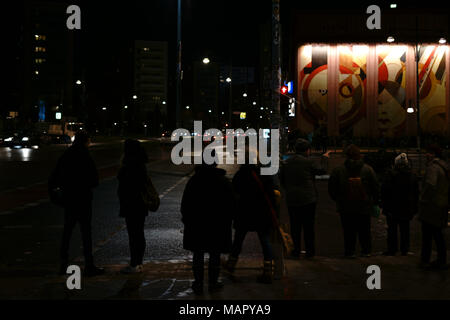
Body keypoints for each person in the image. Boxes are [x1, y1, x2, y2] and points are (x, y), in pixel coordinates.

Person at [49, 131, 104, 276]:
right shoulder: (86, 156)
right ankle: (89, 265)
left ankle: (63, 263)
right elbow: (94, 179)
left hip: (69, 198)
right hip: (84, 198)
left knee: (67, 231)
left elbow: (54, 177)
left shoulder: (66, 155)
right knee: (86, 233)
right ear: (86, 141)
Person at [180, 161, 235, 294]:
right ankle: (213, 283)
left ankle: (198, 283)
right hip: (218, 225)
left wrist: (187, 220)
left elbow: (185, 204)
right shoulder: (223, 181)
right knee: (215, 254)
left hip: (197, 224)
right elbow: (232, 204)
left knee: (198, 254)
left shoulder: (194, 180)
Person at [225, 159, 279, 284]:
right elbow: (271, 194)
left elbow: (234, 194)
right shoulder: (264, 174)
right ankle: (268, 270)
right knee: (265, 240)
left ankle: (231, 264)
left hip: (244, 213)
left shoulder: (240, 175)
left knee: (238, 240)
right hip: (261, 213)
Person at [328, 144, 379, 258]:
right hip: (364, 205)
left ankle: (349, 251)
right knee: (364, 230)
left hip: (345, 206)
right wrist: (374, 202)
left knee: (348, 231)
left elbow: (332, 189)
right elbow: (375, 187)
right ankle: (366, 251)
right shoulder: (368, 169)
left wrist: (339, 200)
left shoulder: (338, 170)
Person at [280, 138, 328, 258]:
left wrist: (289, 189)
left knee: (295, 226)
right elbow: (322, 171)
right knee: (308, 227)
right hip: (308, 198)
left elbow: (282, 180)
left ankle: (296, 251)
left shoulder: (287, 163)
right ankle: (309, 252)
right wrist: (325, 158)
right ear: (307, 150)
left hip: (292, 199)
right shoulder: (309, 162)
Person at [117, 139, 152, 274]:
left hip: (131, 203)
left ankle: (134, 263)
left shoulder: (129, 165)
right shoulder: (140, 163)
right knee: (139, 233)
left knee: (133, 234)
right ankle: (138, 262)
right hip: (140, 203)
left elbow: (125, 183)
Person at [381, 153, 419, 256]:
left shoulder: (390, 175)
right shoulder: (412, 176)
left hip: (392, 207)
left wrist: (384, 205)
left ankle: (392, 249)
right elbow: (416, 193)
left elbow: (385, 191)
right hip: (406, 207)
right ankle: (404, 249)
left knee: (392, 230)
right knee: (405, 229)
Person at [418, 144, 449, 270]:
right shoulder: (444, 167)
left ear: (434, 154)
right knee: (438, 234)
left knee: (427, 235)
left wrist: (422, 198)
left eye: (429, 152)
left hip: (431, 206)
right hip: (442, 203)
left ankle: (425, 260)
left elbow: (430, 184)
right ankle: (441, 260)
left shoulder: (433, 168)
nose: (426, 155)